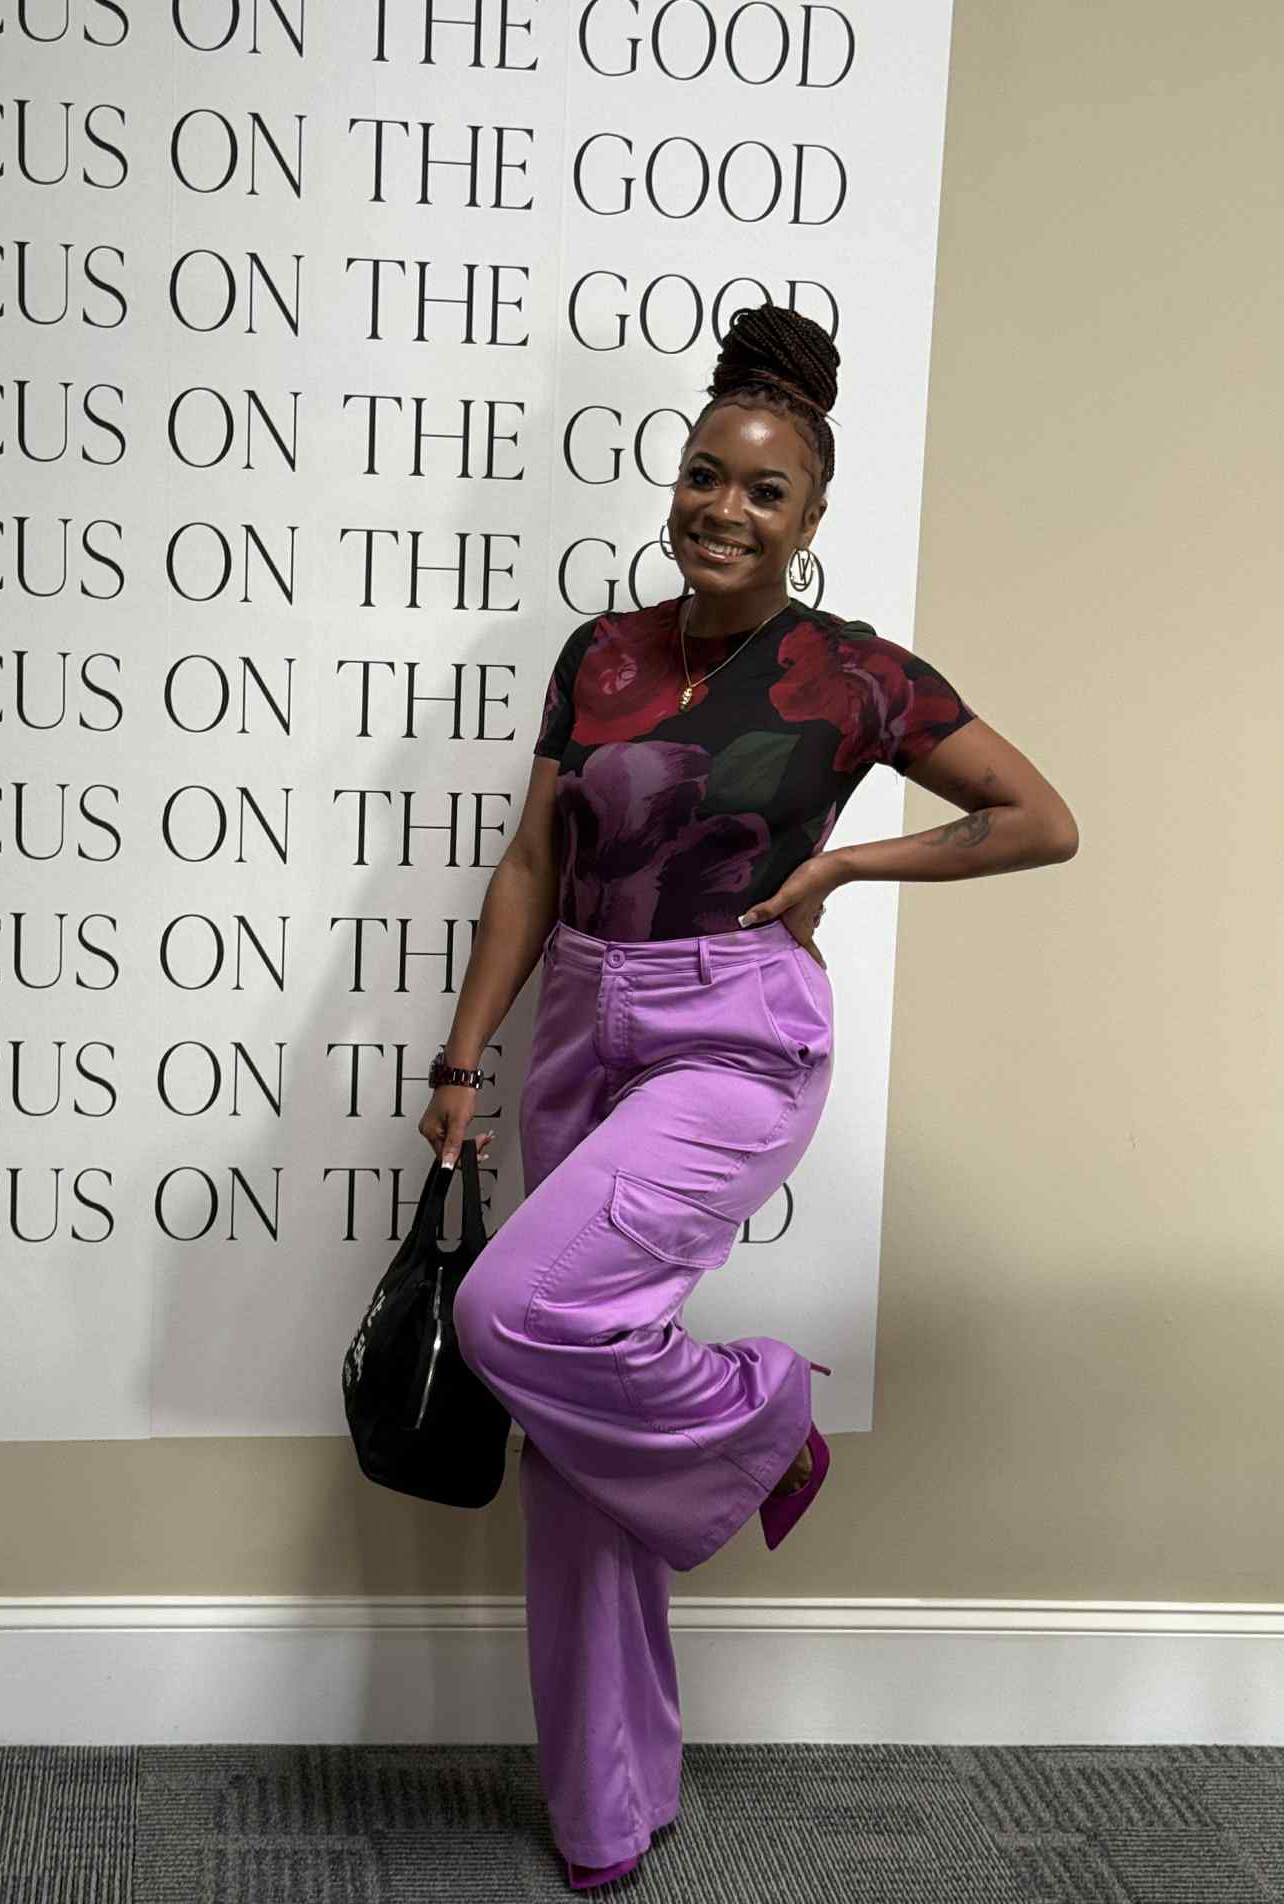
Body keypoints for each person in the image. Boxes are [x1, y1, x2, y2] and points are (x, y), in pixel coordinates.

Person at [417, 301, 1079, 1889]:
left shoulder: (853, 677)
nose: (723, 506)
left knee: (515, 1315)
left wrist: (847, 863)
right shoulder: (602, 654)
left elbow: (1037, 817)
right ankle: (605, 1809)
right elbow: (532, 865)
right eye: (705, 474)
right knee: (572, 1445)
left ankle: (764, 1418)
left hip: (733, 1026)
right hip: (580, 1018)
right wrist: (463, 1056)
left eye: (763, 490)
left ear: (811, 517)